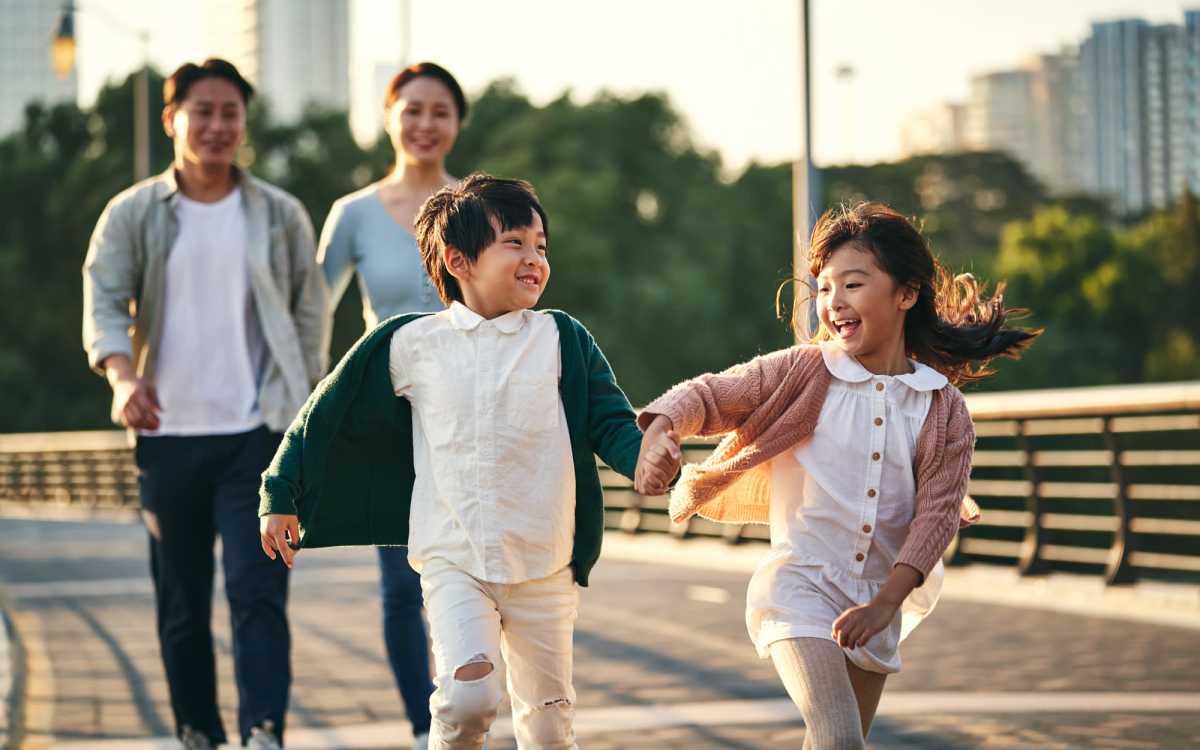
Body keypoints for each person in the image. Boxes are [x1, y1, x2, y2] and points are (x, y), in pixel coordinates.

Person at [258, 173, 680, 749]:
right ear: (458, 260)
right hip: (453, 560)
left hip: (545, 562)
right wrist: (280, 495)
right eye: (515, 243)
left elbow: (609, 419)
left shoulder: (562, 338)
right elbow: (321, 416)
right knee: (466, 701)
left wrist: (646, 459)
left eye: (541, 246)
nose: (535, 258)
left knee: (550, 725)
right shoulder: (409, 343)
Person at [633, 202, 1038, 749]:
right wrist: (662, 427)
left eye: (852, 284)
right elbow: (710, 394)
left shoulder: (942, 409)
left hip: (879, 595)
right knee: (839, 736)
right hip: (801, 583)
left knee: (837, 744)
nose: (834, 303)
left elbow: (937, 516)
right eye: (824, 288)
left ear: (906, 293)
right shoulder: (805, 372)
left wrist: (886, 602)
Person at [81, 58, 328, 750]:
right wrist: (124, 378)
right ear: (172, 120)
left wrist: (305, 407)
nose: (218, 125)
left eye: (231, 113)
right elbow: (102, 299)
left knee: (258, 593)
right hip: (168, 435)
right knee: (183, 603)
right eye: (204, 111)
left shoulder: (279, 213)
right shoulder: (132, 213)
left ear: (243, 123)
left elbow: (311, 314)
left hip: (260, 434)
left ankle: (263, 731)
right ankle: (197, 730)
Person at [317, 61, 467, 750]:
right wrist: (321, 409)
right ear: (388, 117)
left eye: (440, 110)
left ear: (457, 122)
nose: (425, 123)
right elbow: (311, 315)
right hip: (388, 418)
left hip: (474, 411)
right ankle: (423, 728)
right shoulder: (352, 215)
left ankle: (478, 709)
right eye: (412, 109)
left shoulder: (481, 204)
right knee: (401, 584)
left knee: (478, 571)